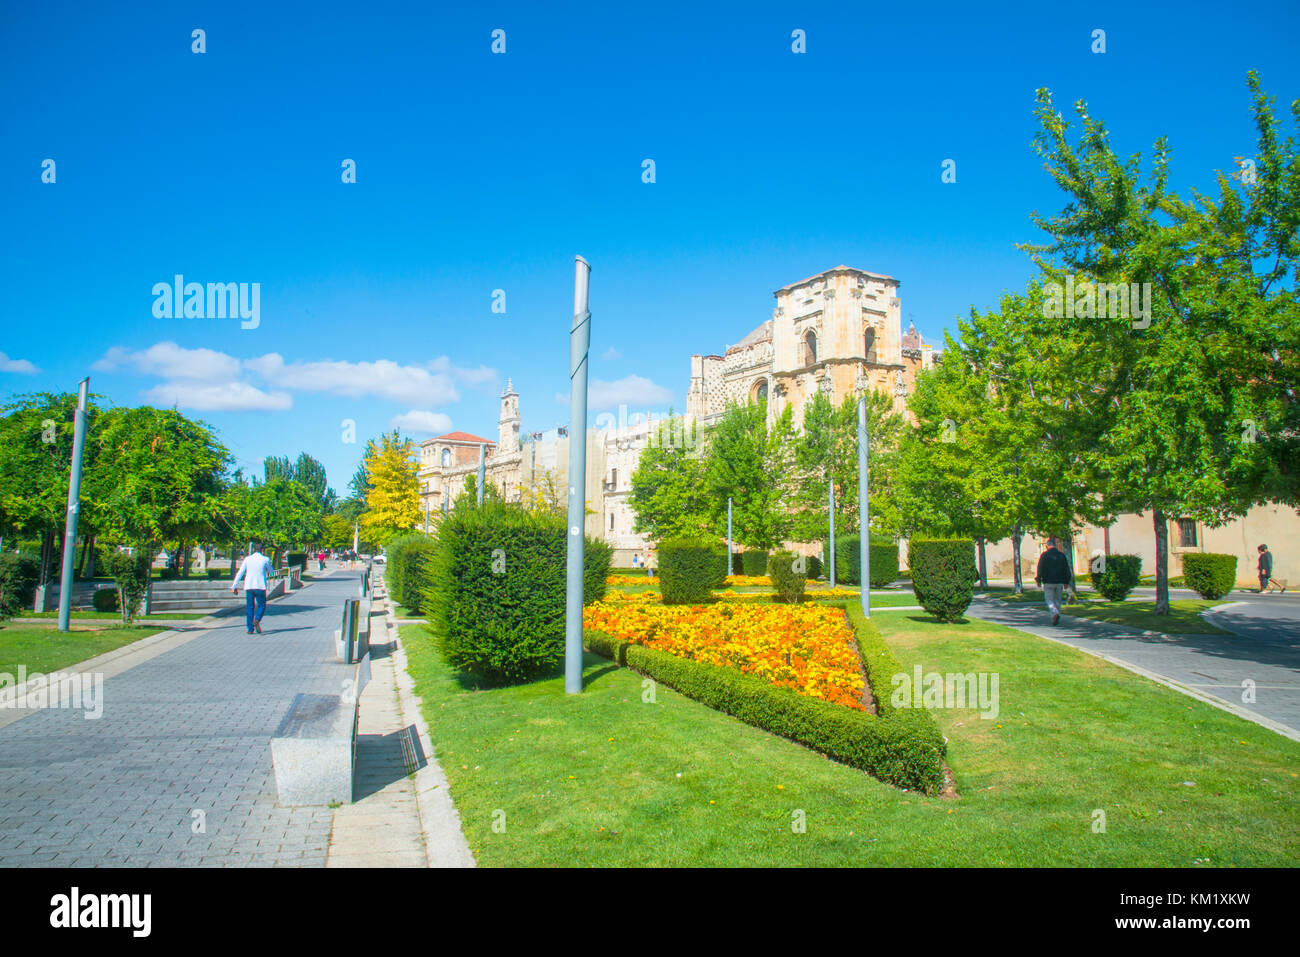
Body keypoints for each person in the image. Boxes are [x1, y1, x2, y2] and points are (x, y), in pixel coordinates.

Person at [232, 540, 274, 635]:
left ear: (253, 549)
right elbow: (271, 572)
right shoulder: (265, 559)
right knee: (262, 605)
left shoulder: (247, 559)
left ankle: (250, 628)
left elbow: (240, 572)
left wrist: (234, 585)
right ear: (262, 550)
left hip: (249, 586)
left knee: (250, 607)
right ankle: (257, 619)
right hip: (260, 586)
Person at [1035, 536, 1072, 626]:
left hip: (1048, 581)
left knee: (1049, 600)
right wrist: (1066, 582)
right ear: (1055, 545)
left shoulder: (1044, 555)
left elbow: (1040, 568)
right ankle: (1055, 614)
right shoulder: (1061, 555)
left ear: (1047, 546)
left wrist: (1038, 580)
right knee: (1058, 600)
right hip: (1059, 582)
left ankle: (1054, 613)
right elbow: (1066, 569)